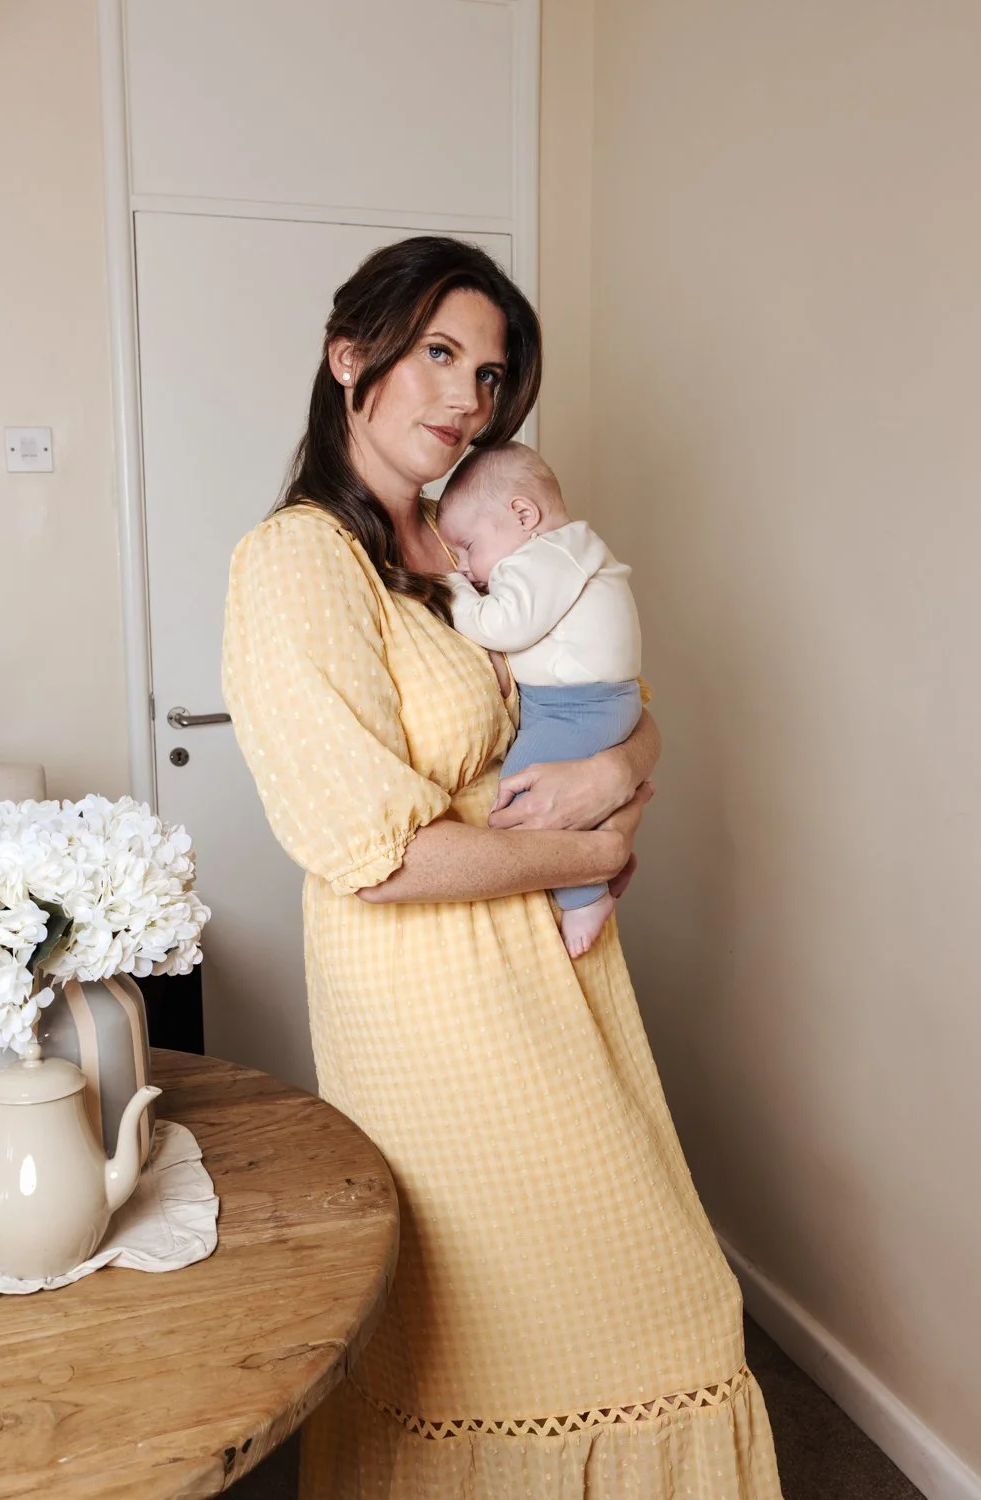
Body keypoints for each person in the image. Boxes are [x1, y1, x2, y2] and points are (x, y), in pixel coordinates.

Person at [222, 235, 781, 1498]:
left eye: (487, 372)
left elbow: (614, 688)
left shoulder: (460, 537)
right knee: (571, 1326)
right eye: (435, 353)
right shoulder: (298, 562)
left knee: (596, 1318)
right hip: (433, 1001)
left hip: (552, 972)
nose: (467, 397)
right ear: (347, 356)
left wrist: (611, 768)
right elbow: (375, 856)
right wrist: (589, 840)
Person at [437, 440, 642, 957]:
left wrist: (453, 593)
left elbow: (505, 625)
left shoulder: (543, 556)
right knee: (559, 800)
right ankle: (600, 871)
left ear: (523, 514)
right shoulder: (564, 553)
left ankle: (586, 893)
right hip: (593, 703)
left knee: (518, 793)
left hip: (578, 707)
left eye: (467, 546)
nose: (464, 565)